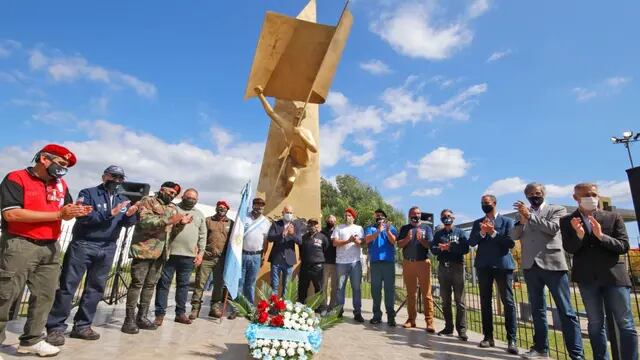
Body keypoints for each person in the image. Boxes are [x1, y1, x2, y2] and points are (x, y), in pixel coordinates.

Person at [0, 144, 91, 357]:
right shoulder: (17, 178)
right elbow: (12, 215)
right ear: (44, 159)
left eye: (66, 166)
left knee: (45, 295)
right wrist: (59, 215)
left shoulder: (61, 184)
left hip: (50, 246)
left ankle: (31, 340)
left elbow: (64, 212)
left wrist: (75, 212)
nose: (63, 169)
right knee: (5, 295)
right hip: (20, 244)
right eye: (60, 164)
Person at [46, 165, 138, 346]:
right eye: (114, 177)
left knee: (95, 289)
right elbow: (83, 217)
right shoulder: (88, 193)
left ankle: (82, 326)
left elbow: (127, 223)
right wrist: (108, 213)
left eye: (121, 178)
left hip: (108, 247)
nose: (117, 181)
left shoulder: (123, 199)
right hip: (84, 244)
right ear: (105, 176)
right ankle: (55, 327)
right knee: (68, 286)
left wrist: (130, 215)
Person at [560, 183, 638, 360]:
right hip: (587, 279)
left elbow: (623, 246)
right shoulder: (567, 221)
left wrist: (601, 236)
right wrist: (579, 235)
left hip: (614, 277)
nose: (591, 197)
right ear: (575, 198)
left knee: (626, 324)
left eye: (594, 194)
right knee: (595, 324)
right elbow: (569, 248)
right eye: (586, 194)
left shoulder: (613, 217)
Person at [511, 183, 584, 359]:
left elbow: (552, 229)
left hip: (553, 264)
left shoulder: (557, 209)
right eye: (530, 194)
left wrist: (530, 216)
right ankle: (540, 348)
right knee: (537, 309)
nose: (534, 196)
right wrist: (522, 221)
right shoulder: (522, 214)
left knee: (565, 310)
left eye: (537, 193)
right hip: (530, 266)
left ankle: (576, 354)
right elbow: (513, 236)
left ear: (543, 194)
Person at [121, 181, 186, 334]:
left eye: (174, 195)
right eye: (170, 192)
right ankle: (128, 320)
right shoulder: (147, 201)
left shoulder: (172, 208)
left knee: (150, 285)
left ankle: (141, 317)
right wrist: (169, 220)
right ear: (162, 189)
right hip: (144, 249)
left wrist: (181, 224)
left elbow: (171, 231)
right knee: (137, 284)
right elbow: (144, 222)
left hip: (161, 252)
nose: (172, 196)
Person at [469, 194, 518, 354]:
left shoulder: (507, 222)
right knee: (485, 302)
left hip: (503, 266)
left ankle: (512, 339)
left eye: (487, 203)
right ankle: (488, 337)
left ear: (495, 203)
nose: (485, 205)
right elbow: (471, 242)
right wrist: (482, 232)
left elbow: (510, 243)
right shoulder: (478, 223)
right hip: (484, 266)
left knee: (508, 302)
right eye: (482, 203)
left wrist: (493, 232)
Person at [154, 188, 206, 326]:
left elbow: (202, 236)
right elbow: (164, 226)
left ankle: (180, 314)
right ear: (182, 196)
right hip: (170, 253)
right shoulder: (173, 209)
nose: (191, 200)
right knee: (163, 284)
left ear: (197, 200)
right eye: (188, 197)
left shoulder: (199, 214)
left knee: (183, 286)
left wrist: (200, 254)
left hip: (188, 256)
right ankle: (159, 314)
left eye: (194, 198)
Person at [254, 86, 317, 194]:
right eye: (297, 111)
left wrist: (301, 135)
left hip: (303, 159)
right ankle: (289, 181)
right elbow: (271, 113)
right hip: (292, 157)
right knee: (289, 168)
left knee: (293, 169)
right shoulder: (287, 126)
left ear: (303, 117)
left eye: (300, 112)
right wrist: (260, 95)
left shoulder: (306, 132)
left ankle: (291, 177)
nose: (298, 113)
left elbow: (314, 149)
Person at [190, 200, 234, 320]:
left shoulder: (231, 223)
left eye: (224, 208)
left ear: (227, 210)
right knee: (200, 284)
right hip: (207, 258)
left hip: (221, 260)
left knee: (219, 286)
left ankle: (214, 308)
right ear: (216, 208)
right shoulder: (208, 220)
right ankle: (195, 309)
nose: (221, 209)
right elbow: (200, 237)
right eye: (219, 207)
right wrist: (198, 253)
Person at [430, 209, 469, 341]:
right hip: (443, 268)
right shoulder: (438, 234)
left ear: (453, 217)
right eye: (444, 217)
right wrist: (441, 248)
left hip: (457, 267)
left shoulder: (460, 232)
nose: (446, 218)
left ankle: (462, 330)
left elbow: (465, 248)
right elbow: (433, 249)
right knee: (445, 300)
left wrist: (450, 247)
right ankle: (448, 328)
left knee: (460, 301)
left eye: (449, 216)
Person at [398, 206, 435, 332]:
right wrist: (407, 239)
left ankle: (429, 321)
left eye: (418, 213)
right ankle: (411, 319)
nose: (416, 215)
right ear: (409, 215)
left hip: (423, 263)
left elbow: (430, 244)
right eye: (413, 214)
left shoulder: (426, 228)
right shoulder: (405, 228)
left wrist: (421, 240)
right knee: (411, 294)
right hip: (409, 263)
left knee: (427, 294)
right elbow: (399, 244)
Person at [364, 209, 397, 326]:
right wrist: (378, 231)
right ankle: (377, 315)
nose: (379, 218)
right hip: (375, 263)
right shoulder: (370, 228)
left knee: (389, 291)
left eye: (381, 216)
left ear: (385, 217)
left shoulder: (391, 227)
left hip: (388, 263)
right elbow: (367, 239)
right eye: (377, 216)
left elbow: (394, 241)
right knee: (375, 290)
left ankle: (391, 317)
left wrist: (387, 231)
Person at [332, 208, 365, 322]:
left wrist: (356, 241)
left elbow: (362, 243)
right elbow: (335, 242)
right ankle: (339, 311)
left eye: (349, 216)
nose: (347, 217)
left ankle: (357, 313)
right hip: (341, 262)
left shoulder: (359, 228)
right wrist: (348, 241)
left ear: (353, 217)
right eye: (345, 215)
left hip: (355, 262)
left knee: (356, 288)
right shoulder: (338, 228)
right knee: (340, 288)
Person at [238, 197, 271, 305]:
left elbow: (266, 242)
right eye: (257, 204)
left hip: (256, 256)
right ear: (253, 205)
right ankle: (237, 307)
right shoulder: (244, 217)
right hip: (242, 254)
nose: (259, 207)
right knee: (240, 282)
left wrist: (263, 256)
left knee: (250, 283)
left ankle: (249, 307)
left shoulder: (266, 222)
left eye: (261, 205)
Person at [267, 205, 302, 296]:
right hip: (276, 259)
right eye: (287, 212)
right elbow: (270, 237)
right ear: (282, 213)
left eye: (290, 213)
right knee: (274, 285)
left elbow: (299, 241)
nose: (289, 214)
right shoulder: (276, 224)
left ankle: (284, 307)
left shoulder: (296, 225)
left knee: (286, 286)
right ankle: (273, 307)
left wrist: (292, 234)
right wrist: (281, 235)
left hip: (289, 260)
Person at [298, 218, 328, 304]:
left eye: (315, 224)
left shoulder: (322, 237)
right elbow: (301, 249)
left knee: (319, 288)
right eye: (310, 224)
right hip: (305, 266)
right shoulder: (304, 237)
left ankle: (320, 309)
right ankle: (300, 307)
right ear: (308, 226)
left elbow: (325, 248)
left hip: (317, 267)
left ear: (318, 225)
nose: (312, 226)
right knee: (302, 288)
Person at [321, 215, 338, 312]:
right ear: (326, 221)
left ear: (335, 222)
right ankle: (324, 306)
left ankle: (331, 307)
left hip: (336, 262)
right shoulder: (322, 232)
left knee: (334, 286)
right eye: (329, 220)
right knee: (324, 285)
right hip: (324, 262)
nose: (331, 222)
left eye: (333, 220)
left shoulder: (337, 231)